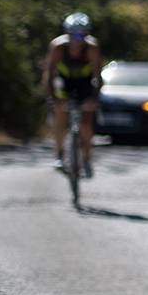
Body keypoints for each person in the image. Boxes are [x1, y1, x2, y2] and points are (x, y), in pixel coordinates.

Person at [41, 12, 102, 179]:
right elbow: (49, 75)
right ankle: (59, 155)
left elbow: (98, 76)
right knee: (60, 114)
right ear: (67, 33)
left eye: (82, 34)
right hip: (64, 83)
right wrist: (53, 98)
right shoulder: (58, 47)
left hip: (85, 84)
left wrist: (93, 99)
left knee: (86, 124)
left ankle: (87, 160)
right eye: (74, 34)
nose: (77, 38)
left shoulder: (92, 48)